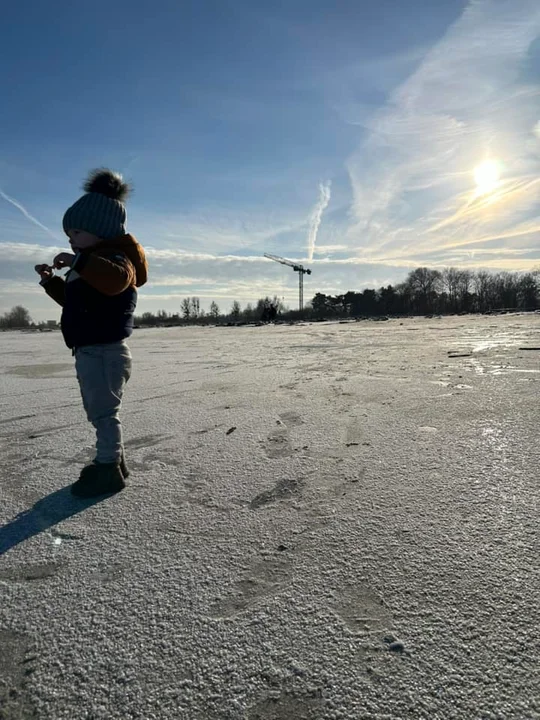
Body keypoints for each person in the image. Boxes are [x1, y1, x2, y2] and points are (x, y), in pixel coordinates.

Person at [35, 169, 148, 498]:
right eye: (68, 232)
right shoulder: (90, 262)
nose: (70, 237)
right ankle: (113, 463)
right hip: (92, 350)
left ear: (101, 230)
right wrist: (50, 281)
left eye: (77, 231)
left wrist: (79, 261)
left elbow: (115, 281)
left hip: (105, 351)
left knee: (103, 413)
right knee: (101, 411)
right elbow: (74, 303)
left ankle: (108, 468)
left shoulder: (116, 260)